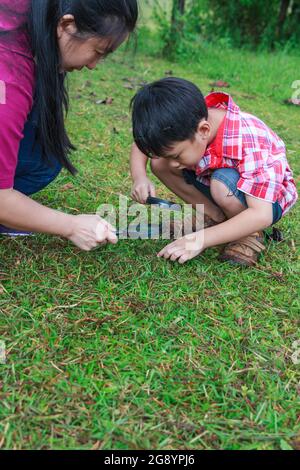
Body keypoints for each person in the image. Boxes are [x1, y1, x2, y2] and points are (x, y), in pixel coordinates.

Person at [0, 0, 138, 251]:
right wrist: (71, 225)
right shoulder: (9, 82)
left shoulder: (34, 13)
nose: (93, 65)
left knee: (46, 159)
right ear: (66, 25)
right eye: (97, 51)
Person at [130, 77, 298, 266]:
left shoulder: (249, 142)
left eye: (177, 156)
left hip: (266, 202)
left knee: (221, 184)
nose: (174, 164)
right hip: (222, 183)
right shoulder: (186, 120)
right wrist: (140, 177)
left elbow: (262, 214)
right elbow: (142, 143)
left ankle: (249, 233)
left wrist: (199, 240)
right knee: (160, 164)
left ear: (203, 130)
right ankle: (217, 218)